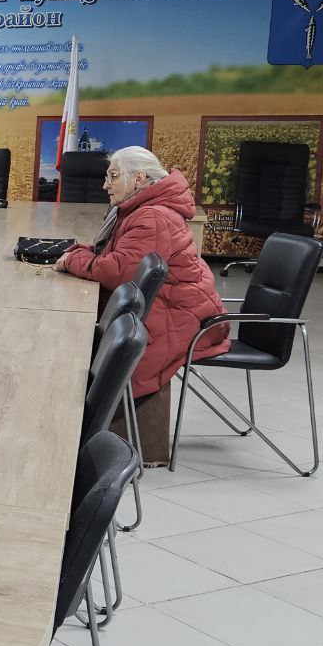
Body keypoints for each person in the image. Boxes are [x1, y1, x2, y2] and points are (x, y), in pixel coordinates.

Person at [55, 146, 229, 462]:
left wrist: (72, 261)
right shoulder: (143, 208)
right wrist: (78, 253)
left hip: (181, 316)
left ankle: (85, 443)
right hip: (174, 305)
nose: (105, 185)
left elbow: (118, 271)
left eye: (113, 176)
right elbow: (114, 256)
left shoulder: (152, 216)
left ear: (138, 178)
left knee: (90, 345)